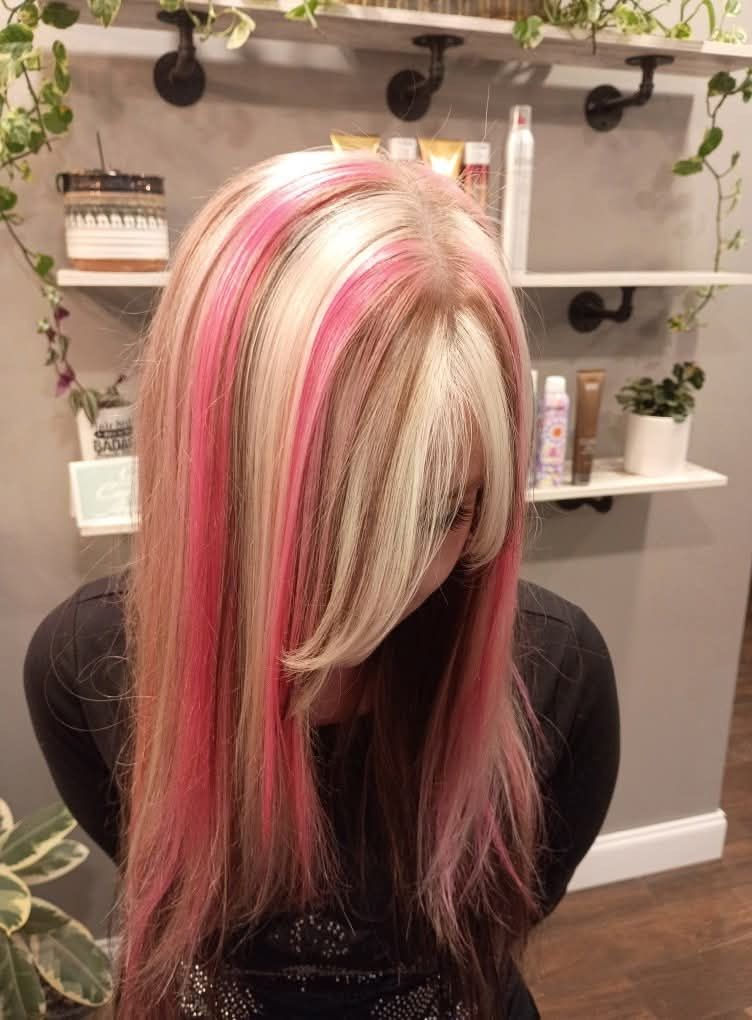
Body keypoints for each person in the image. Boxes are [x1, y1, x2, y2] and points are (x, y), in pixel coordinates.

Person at [24, 150, 619, 1020]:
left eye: (440, 514)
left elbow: (512, 918)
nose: (381, 589)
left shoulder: (554, 675)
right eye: (320, 517)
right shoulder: (87, 665)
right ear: (210, 475)